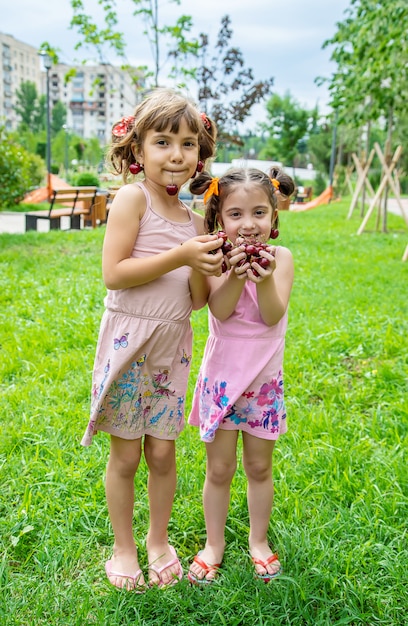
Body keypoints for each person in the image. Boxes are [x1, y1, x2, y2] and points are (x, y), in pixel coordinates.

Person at [81, 88, 224, 591]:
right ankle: (123, 547)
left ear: (199, 157)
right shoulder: (131, 198)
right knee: (125, 454)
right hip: (129, 343)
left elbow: (199, 299)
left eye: (188, 144)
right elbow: (115, 273)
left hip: (172, 348)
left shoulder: (193, 220)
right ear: (138, 150)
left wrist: (211, 261)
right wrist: (183, 255)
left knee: (163, 454)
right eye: (162, 142)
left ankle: (158, 540)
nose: (176, 155)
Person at [187, 167, 295, 584]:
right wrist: (232, 273)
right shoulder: (213, 259)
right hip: (222, 380)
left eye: (258, 213)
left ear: (273, 217)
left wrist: (264, 278)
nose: (248, 225)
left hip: (263, 385)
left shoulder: (281, 259)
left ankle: (258, 540)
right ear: (218, 219)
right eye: (235, 214)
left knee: (258, 467)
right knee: (219, 470)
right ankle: (214, 543)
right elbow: (219, 310)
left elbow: (272, 314)